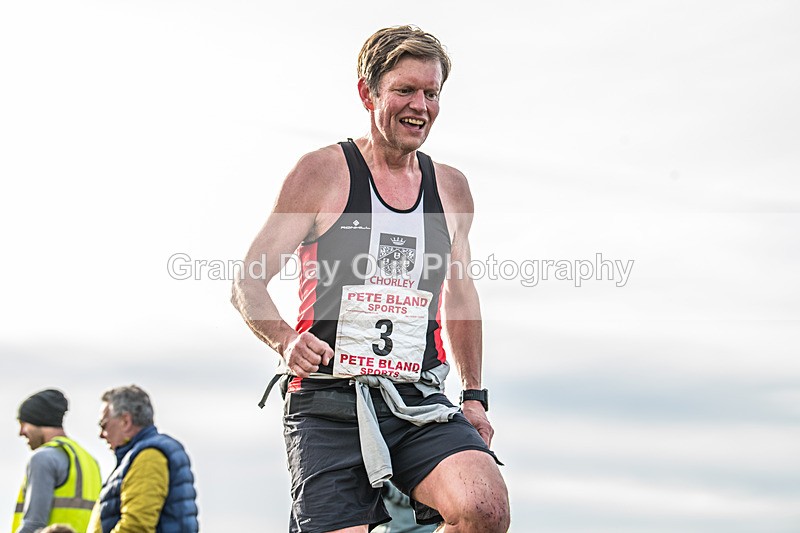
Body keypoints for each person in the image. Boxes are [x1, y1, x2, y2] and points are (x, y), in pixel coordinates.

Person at [232, 25, 510, 532]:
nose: (420, 106)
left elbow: (461, 295)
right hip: (329, 401)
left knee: (484, 510)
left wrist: (474, 395)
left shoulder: (451, 187)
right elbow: (248, 279)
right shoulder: (322, 172)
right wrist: (285, 340)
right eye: (405, 90)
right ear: (368, 92)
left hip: (416, 396)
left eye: (432, 93)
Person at [87, 385, 199, 533]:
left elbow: (135, 527)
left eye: (103, 425)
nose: (102, 434)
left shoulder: (148, 458)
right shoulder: (140, 456)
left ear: (125, 421)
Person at [13, 388, 102, 533]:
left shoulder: (42, 459)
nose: (21, 432)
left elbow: (33, 524)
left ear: (39, 420)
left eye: (24, 424)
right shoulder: (89, 460)